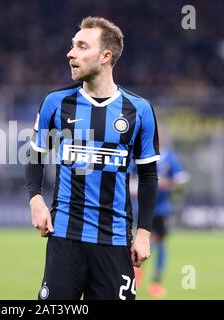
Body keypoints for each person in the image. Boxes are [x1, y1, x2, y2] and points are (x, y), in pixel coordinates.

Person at [25, 16, 160, 300]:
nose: (70, 53)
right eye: (73, 46)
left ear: (105, 56)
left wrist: (144, 232)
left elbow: (148, 175)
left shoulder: (140, 110)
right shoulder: (55, 103)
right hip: (65, 237)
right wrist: (35, 198)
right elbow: (36, 155)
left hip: (114, 242)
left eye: (82, 46)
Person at [134, 128, 190, 298]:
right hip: (141, 208)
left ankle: (156, 283)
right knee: (136, 241)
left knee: (160, 243)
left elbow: (182, 178)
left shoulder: (169, 157)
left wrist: (167, 183)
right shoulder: (139, 154)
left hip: (161, 209)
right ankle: (135, 277)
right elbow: (129, 178)